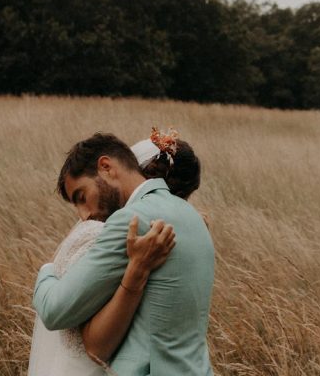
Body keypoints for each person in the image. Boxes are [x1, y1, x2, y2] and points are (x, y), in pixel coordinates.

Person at [30, 129, 214, 375]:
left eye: (82, 196)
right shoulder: (192, 218)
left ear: (106, 166)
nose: (85, 215)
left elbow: (55, 311)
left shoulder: (130, 222)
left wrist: (47, 270)